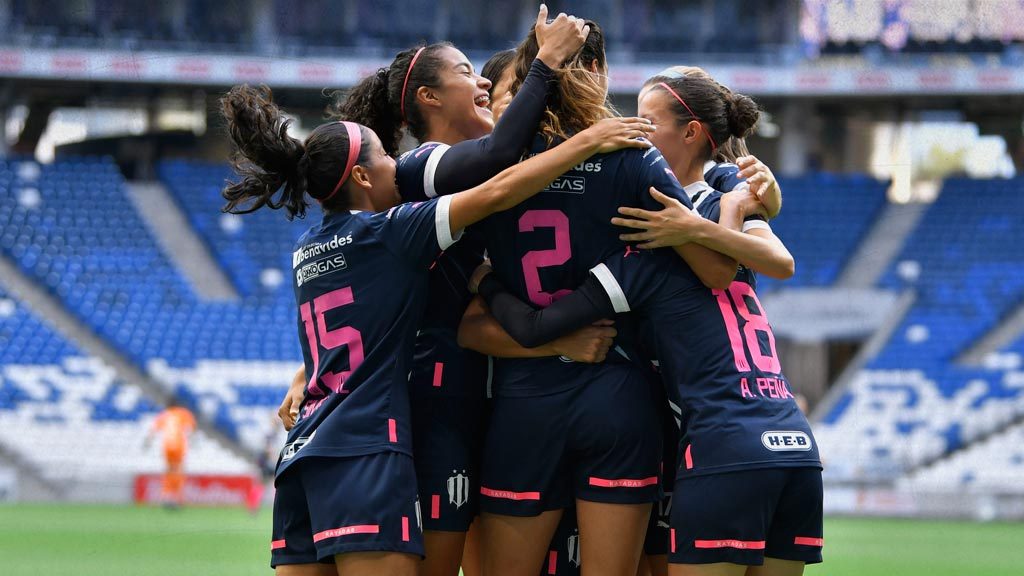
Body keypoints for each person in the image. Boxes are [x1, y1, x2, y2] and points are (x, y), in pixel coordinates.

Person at [220, 83, 653, 575]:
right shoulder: (391, 231)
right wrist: (585, 142)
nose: (396, 166)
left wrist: (301, 376)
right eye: (385, 156)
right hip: (367, 447)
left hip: (303, 453)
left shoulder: (306, 250)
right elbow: (497, 189)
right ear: (361, 175)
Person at [465, 72, 823, 576]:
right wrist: (744, 204)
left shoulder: (654, 230)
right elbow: (768, 258)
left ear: (693, 132)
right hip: (781, 436)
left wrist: (483, 280)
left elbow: (733, 268)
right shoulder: (728, 199)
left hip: (711, 441)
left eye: (648, 121)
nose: (633, 129)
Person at [454, 19, 742, 576]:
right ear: (599, 74)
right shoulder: (635, 155)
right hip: (619, 394)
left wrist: (487, 280)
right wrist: (738, 194)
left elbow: (463, 315)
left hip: (524, 402)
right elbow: (711, 264)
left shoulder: (499, 165)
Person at [331, 8, 610, 576]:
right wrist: (550, 65)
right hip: (440, 401)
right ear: (431, 98)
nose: (482, 83)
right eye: (466, 72)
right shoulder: (421, 167)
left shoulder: (478, 188)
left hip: (492, 405)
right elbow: (498, 158)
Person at [144, 399, 196, 509]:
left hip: (167, 446)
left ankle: (166, 496)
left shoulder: (165, 414)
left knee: (168, 471)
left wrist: (147, 443)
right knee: (179, 471)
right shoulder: (183, 413)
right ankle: (178, 497)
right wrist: (193, 442)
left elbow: (153, 430)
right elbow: (190, 429)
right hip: (179, 445)